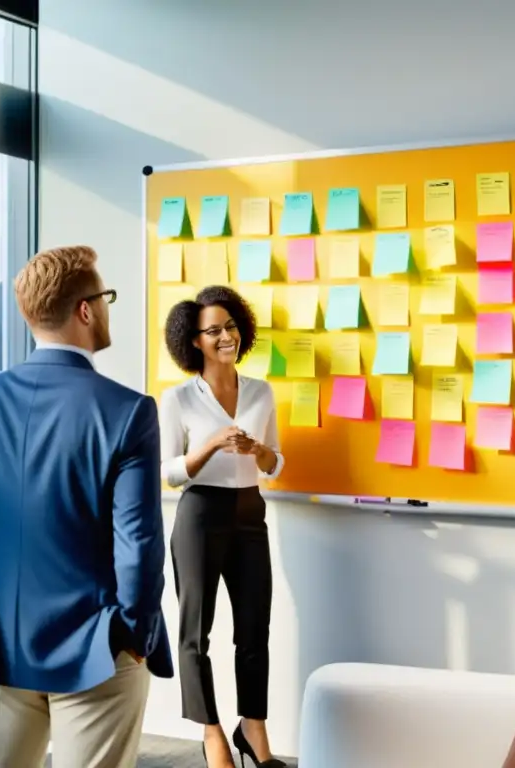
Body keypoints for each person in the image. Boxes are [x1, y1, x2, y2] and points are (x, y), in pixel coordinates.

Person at [0, 244, 172, 768]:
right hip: (98, 647)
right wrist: (134, 635)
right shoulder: (127, 411)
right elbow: (138, 544)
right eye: (107, 297)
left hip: (0, 642)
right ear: (86, 309)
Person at [160, 286, 287, 768]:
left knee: (255, 629)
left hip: (249, 512)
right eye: (213, 330)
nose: (225, 336)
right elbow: (168, 472)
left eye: (231, 326)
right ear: (194, 341)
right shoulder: (178, 399)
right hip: (199, 517)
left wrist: (258, 452)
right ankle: (211, 732)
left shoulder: (260, 391)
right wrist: (210, 445)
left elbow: (275, 462)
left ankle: (253, 728)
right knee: (196, 632)